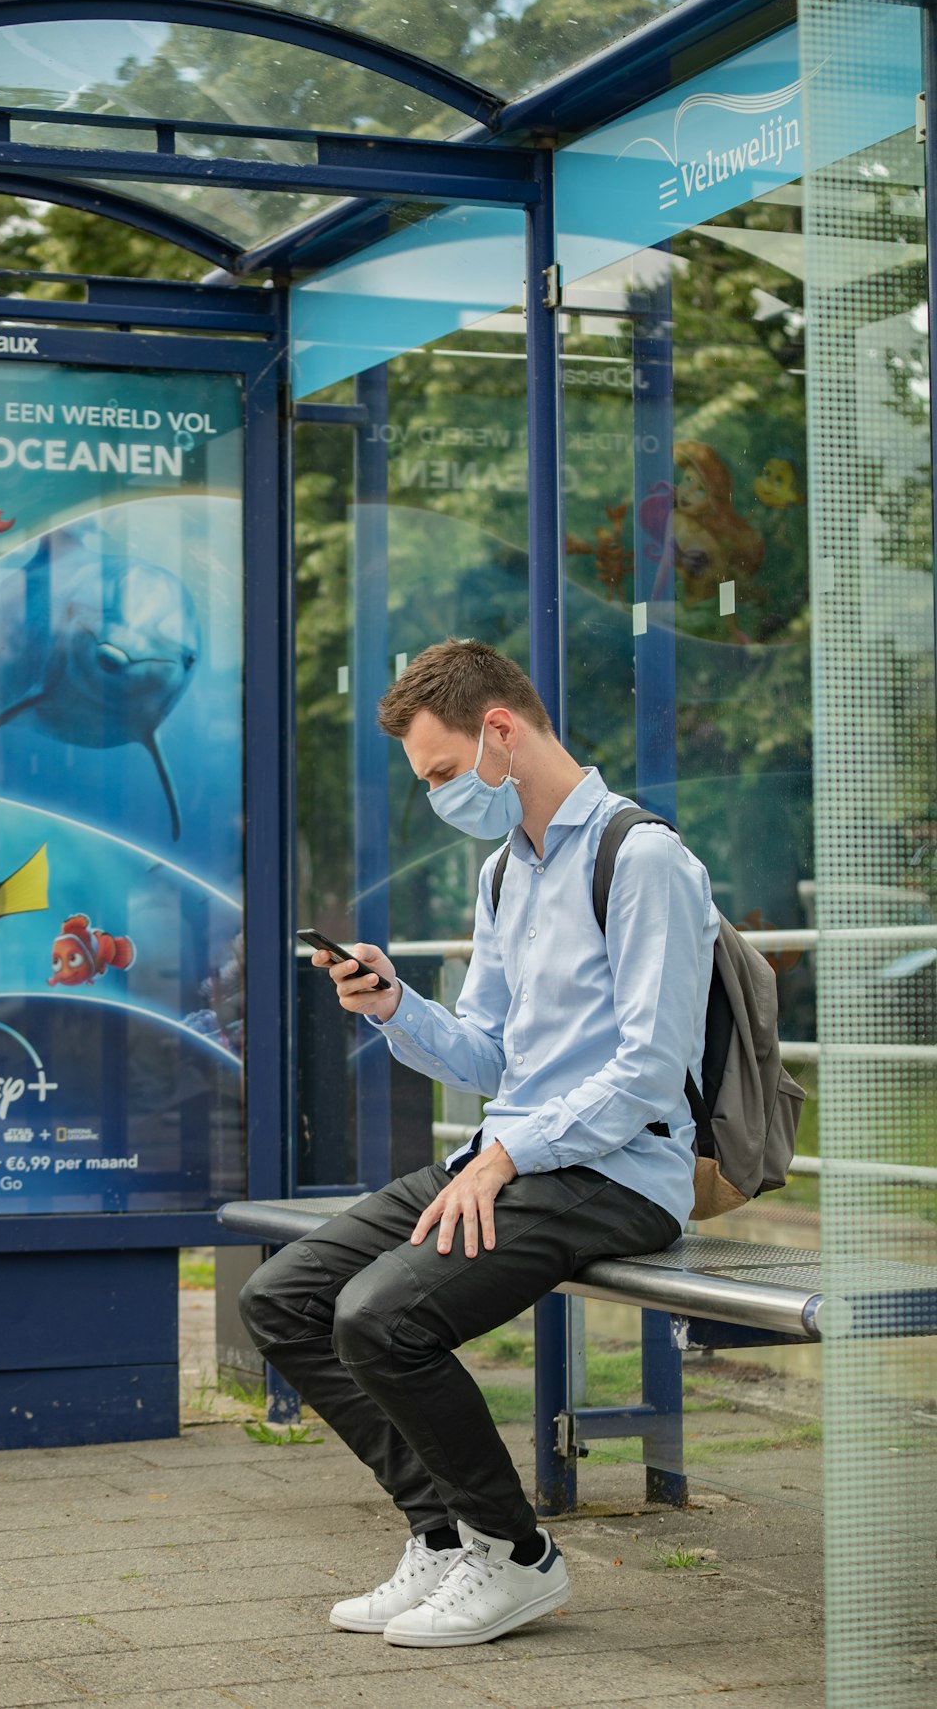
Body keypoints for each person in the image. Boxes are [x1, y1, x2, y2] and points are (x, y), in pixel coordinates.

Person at [239, 638, 718, 1649]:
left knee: (378, 1319)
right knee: (282, 1299)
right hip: (517, 1159)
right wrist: (395, 1004)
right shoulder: (506, 873)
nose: (440, 799)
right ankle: (447, 1538)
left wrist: (505, 1157)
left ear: (500, 729)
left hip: (617, 1172)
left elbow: (644, 1073)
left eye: (445, 773)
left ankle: (517, 1557)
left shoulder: (644, 859)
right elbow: (492, 1055)